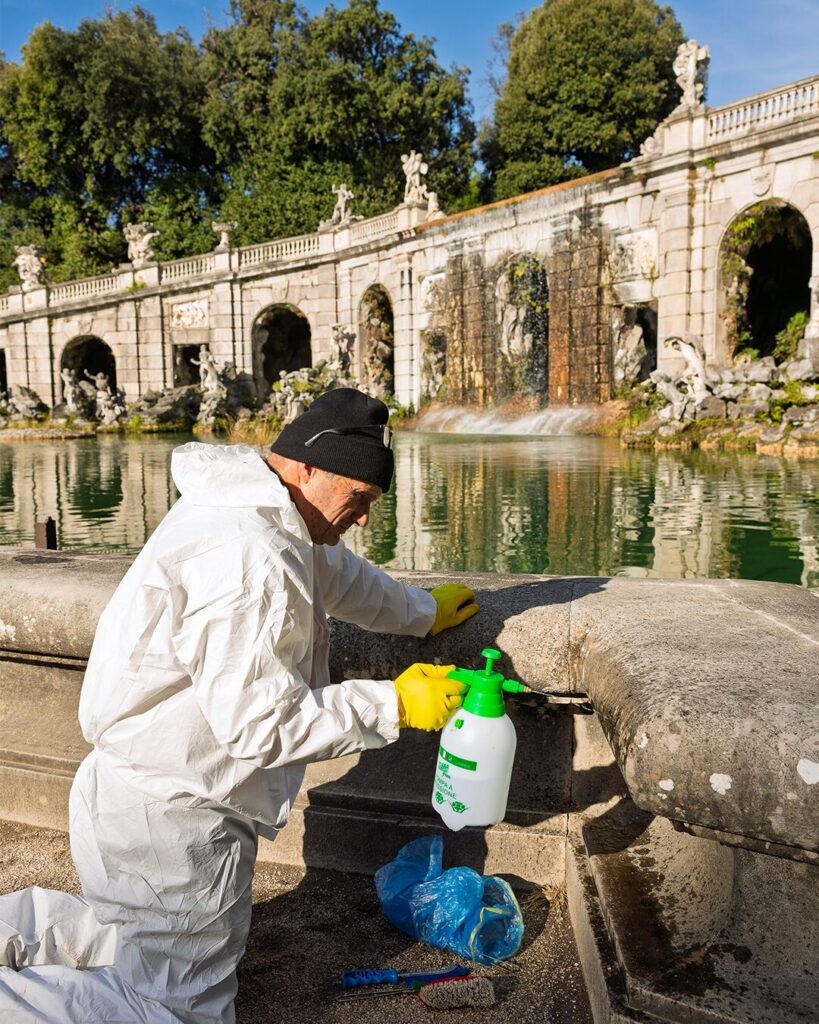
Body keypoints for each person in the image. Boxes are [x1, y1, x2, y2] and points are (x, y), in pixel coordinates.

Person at [0, 387, 479, 1023]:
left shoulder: (264, 506)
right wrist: (393, 703)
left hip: (143, 789)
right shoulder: (251, 556)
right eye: (359, 499)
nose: (363, 518)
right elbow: (263, 724)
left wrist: (421, 613)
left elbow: (334, 574)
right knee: (177, 1011)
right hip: (175, 813)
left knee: (136, 933)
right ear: (309, 467)